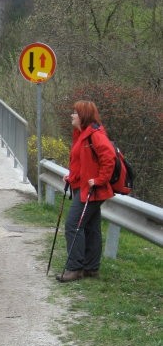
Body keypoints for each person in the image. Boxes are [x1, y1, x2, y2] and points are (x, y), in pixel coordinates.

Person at [58, 100, 116, 282]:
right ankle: (91, 268)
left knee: (73, 225)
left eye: (75, 112)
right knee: (91, 227)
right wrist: (71, 177)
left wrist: (99, 180)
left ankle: (75, 268)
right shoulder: (81, 134)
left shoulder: (95, 135)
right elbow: (81, 163)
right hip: (82, 187)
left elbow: (109, 158)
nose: (72, 115)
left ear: (83, 116)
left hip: (92, 190)